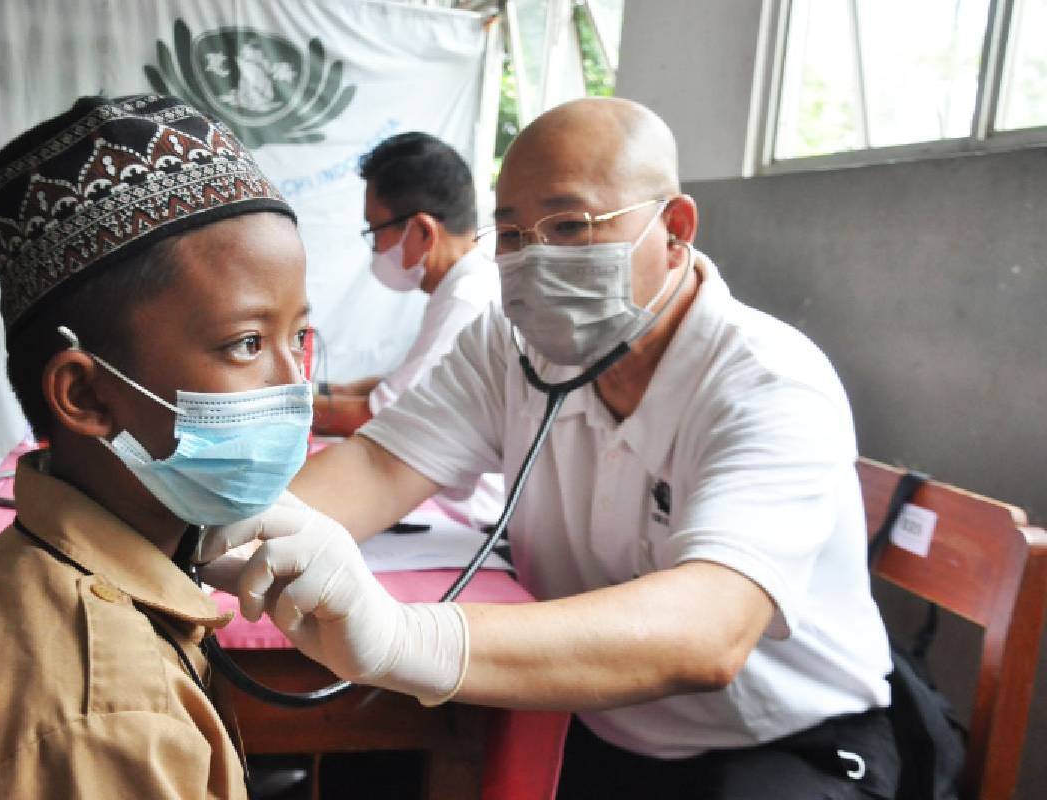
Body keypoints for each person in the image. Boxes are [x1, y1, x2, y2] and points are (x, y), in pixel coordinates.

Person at [205, 97, 900, 799]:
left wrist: (402, 638)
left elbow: (708, 632)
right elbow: (382, 467)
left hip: (781, 745)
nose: (535, 260)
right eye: (510, 234)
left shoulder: (768, 380)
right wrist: (203, 541)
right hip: (603, 731)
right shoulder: (507, 343)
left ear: (675, 228)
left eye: (570, 225)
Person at [0, 94, 312, 799]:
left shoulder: (60, 575)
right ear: (86, 396)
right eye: (247, 344)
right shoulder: (99, 718)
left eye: (298, 337)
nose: (295, 385)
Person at [313, 132, 502, 527]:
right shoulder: (467, 284)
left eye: (375, 229)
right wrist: (318, 393)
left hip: (470, 521)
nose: (376, 246)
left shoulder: (467, 299)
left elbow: (380, 416)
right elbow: (401, 386)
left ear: (422, 231)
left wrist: (283, 405)